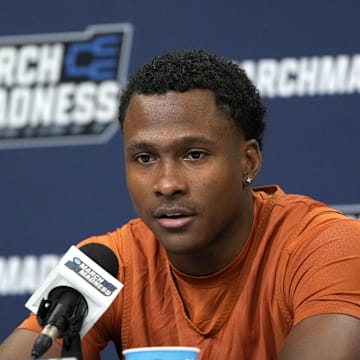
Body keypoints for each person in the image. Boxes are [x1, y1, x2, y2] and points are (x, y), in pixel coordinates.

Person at [1, 49, 360, 360]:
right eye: (144, 158)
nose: (167, 184)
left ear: (248, 161)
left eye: (194, 155)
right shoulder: (108, 264)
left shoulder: (328, 248)